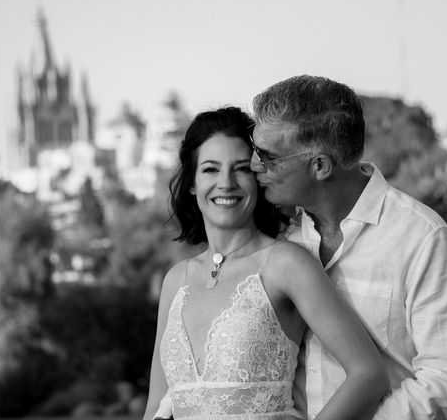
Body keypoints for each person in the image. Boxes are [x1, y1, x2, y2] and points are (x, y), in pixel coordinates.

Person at [249, 75, 447, 420]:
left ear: (320, 166)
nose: (254, 166)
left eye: (268, 157)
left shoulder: (422, 238)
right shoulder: (280, 241)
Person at [144, 107, 388, 420]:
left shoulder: (285, 263)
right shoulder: (176, 280)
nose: (226, 183)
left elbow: (369, 374)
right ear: (192, 183)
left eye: (241, 168)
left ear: (258, 178)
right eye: (210, 169)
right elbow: (156, 405)